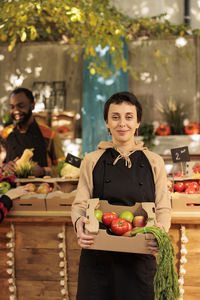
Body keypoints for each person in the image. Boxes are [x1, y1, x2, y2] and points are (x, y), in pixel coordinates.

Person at [71, 91, 171, 300]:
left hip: (139, 256)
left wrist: (161, 230)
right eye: (115, 117)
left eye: (128, 117)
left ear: (137, 122)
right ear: (107, 122)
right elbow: (79, 204)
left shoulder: (154, 162)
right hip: (98, 258)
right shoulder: (91, 160)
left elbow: (163, 207)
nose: (122, 123)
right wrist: (79, 222)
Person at [1, 87, 65, 177]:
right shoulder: (5, 134)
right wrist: (4, 167)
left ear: (32, 106)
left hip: (41, 189)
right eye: (12, 107)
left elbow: (63, 166)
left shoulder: (50, 134)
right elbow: (1, 163)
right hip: (10, 189)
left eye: (21, 106)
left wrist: (44, 171)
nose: (15, 111)